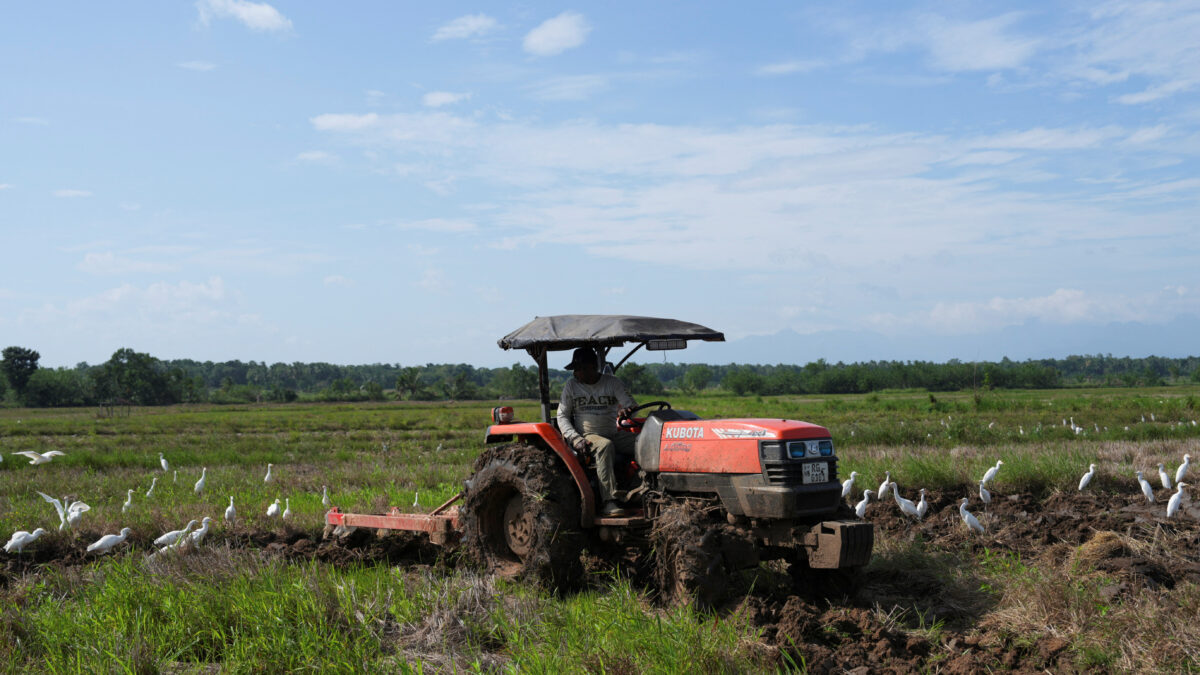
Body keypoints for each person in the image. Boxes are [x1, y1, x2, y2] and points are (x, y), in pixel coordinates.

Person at [557, 346, 637, 517]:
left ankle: (643, 487)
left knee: (645, 443)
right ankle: (609, 501)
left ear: (592, 367)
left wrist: (626, 410)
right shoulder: (572, 386)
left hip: (613, 433)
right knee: (605, 446)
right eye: (575, 369)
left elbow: (631, 405)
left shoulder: (612, 383)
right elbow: (562, 416)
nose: (576, 373)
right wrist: (575, 438)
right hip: (588, 435)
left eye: (579, 368)